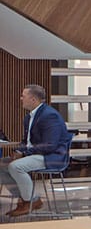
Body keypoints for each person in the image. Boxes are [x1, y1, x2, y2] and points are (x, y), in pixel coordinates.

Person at [1, 84, 71, 217]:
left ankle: (30, 201)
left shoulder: (50, 115)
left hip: (52, 156)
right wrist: (18, 151)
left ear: (33, 99)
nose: (21, 99)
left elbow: (50, 145)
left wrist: (24, 153)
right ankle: (28, 198)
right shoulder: (29, 117)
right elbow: (26, 141)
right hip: (36, 154)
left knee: (16, 167)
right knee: (2, 165)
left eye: (23, 96)